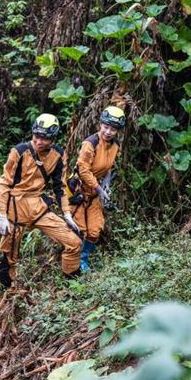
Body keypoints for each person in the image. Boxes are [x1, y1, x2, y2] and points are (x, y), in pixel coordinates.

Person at [0, 113, 82, 287]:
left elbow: (59, 187)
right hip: (16, 206)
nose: (39, 141)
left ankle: (72, 283)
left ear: (53, 138)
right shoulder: (19, 152)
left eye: (44, 138)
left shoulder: (57, 155)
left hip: (38, 206)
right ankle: (10, 290)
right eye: (36, 136)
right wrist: (2, 214)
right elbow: (4, 184)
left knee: (74, 242)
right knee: (9, 255)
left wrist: (66, 213)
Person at [69, 106, 125, 272]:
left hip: (95, 191)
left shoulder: (115, 146)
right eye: (106, 127)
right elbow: (83, 170)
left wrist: (106, 187)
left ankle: (84, 259)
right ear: (100, 124)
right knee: (79, 228)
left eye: (113, 129)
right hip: (78, 189)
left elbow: (108, 167)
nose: (108, 132)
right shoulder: (90, 143)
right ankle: (73, 263)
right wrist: (99, 189)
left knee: (94, 230)